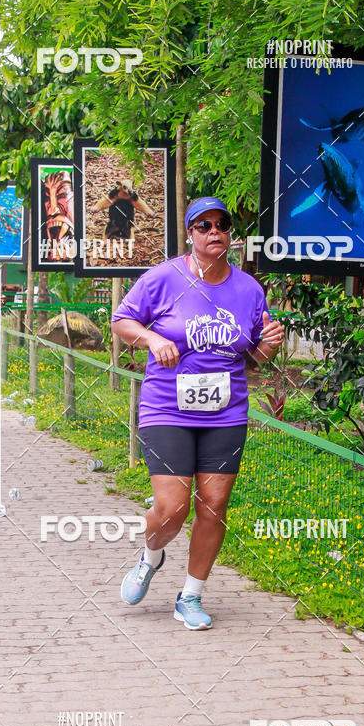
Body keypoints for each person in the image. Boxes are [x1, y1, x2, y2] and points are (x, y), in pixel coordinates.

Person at [111, 196, 285, 629]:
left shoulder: (248, 289)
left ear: (229, 233)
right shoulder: (162, 278)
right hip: (166, 407)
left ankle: (190, 596)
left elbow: (251, 358)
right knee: (172, 508)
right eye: (203, 225)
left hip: (225, 413)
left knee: (214, 505)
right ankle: (151, 556)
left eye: (221, 225)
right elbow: (121, 320)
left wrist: (269, 345)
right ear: (189, 233)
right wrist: (152, 340)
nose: (213, 232)